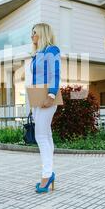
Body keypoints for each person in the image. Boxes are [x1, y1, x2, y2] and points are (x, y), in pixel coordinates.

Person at [30, 23, 61, 194]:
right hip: (37, 98)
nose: (32, 36)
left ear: (42, 33)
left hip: (47, 97)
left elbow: (55, 73)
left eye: (34, 33)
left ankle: (46, 175)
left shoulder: (52, 50)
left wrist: (51, 95)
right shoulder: (37, 54)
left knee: (40, 136)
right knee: (46, 135)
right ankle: (49, 173)